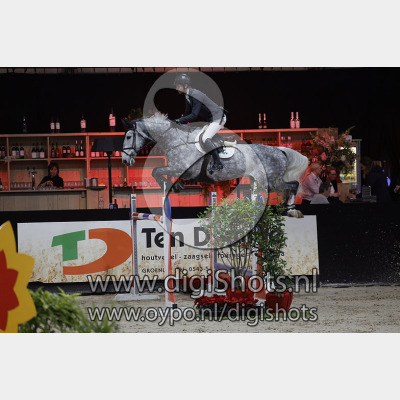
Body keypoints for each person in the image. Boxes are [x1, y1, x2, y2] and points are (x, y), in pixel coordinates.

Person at [173, 73, 227, 172]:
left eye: (178, 86)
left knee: (205, 138)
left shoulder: (195, 95)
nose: (176, 88)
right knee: (198, 137)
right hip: (211, 119)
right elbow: (187, 115)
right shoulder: (188, 96)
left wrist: (178, 120)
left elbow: (194, 115)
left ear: (185, 85)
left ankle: (218, 163)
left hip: (218, 117)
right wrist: (177, 123)